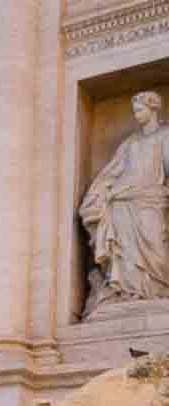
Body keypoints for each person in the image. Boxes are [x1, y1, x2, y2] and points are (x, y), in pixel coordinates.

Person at [80, 90, 169, 315]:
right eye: (134, 111)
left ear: (153, 109)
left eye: (140, 110)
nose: (136, 115)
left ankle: (156, 290)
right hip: (122, 202)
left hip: (151, 200)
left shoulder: (165, 136)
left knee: (155, 246)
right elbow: (112, 172)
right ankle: (128, 292)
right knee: (125, 250)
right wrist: (99, 194)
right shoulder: (130, 143)